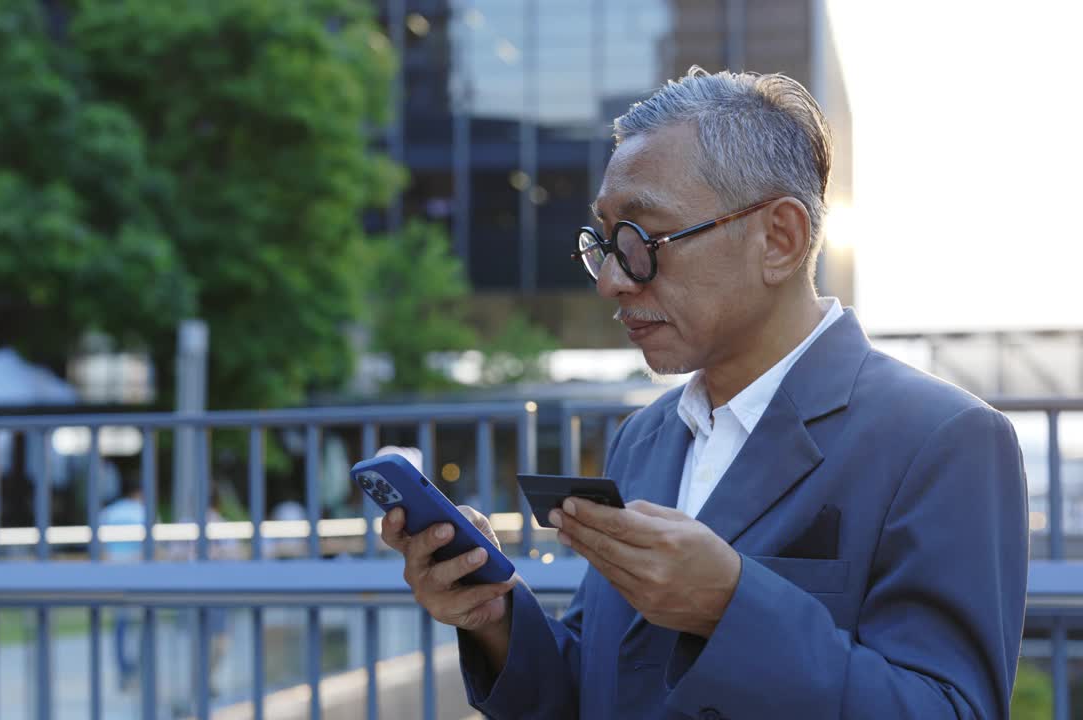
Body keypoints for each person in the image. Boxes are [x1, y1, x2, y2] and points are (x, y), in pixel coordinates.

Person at [381, 67, 1028, 719]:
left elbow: (952, 708)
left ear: (780, 238)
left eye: (640, 240)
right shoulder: (646, 435)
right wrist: (494, 615)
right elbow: (605, 688)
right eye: (604, 242)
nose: (611, 279)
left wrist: (730, 607)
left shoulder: (944, 441)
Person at [100, 476, 146, 691]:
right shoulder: (143, 512)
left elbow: (101, 548)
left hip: (114, 573)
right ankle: (136, 670)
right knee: (139, 625)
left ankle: (123, 671)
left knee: (120, 625)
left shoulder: (110, 512)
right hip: (136, 572)